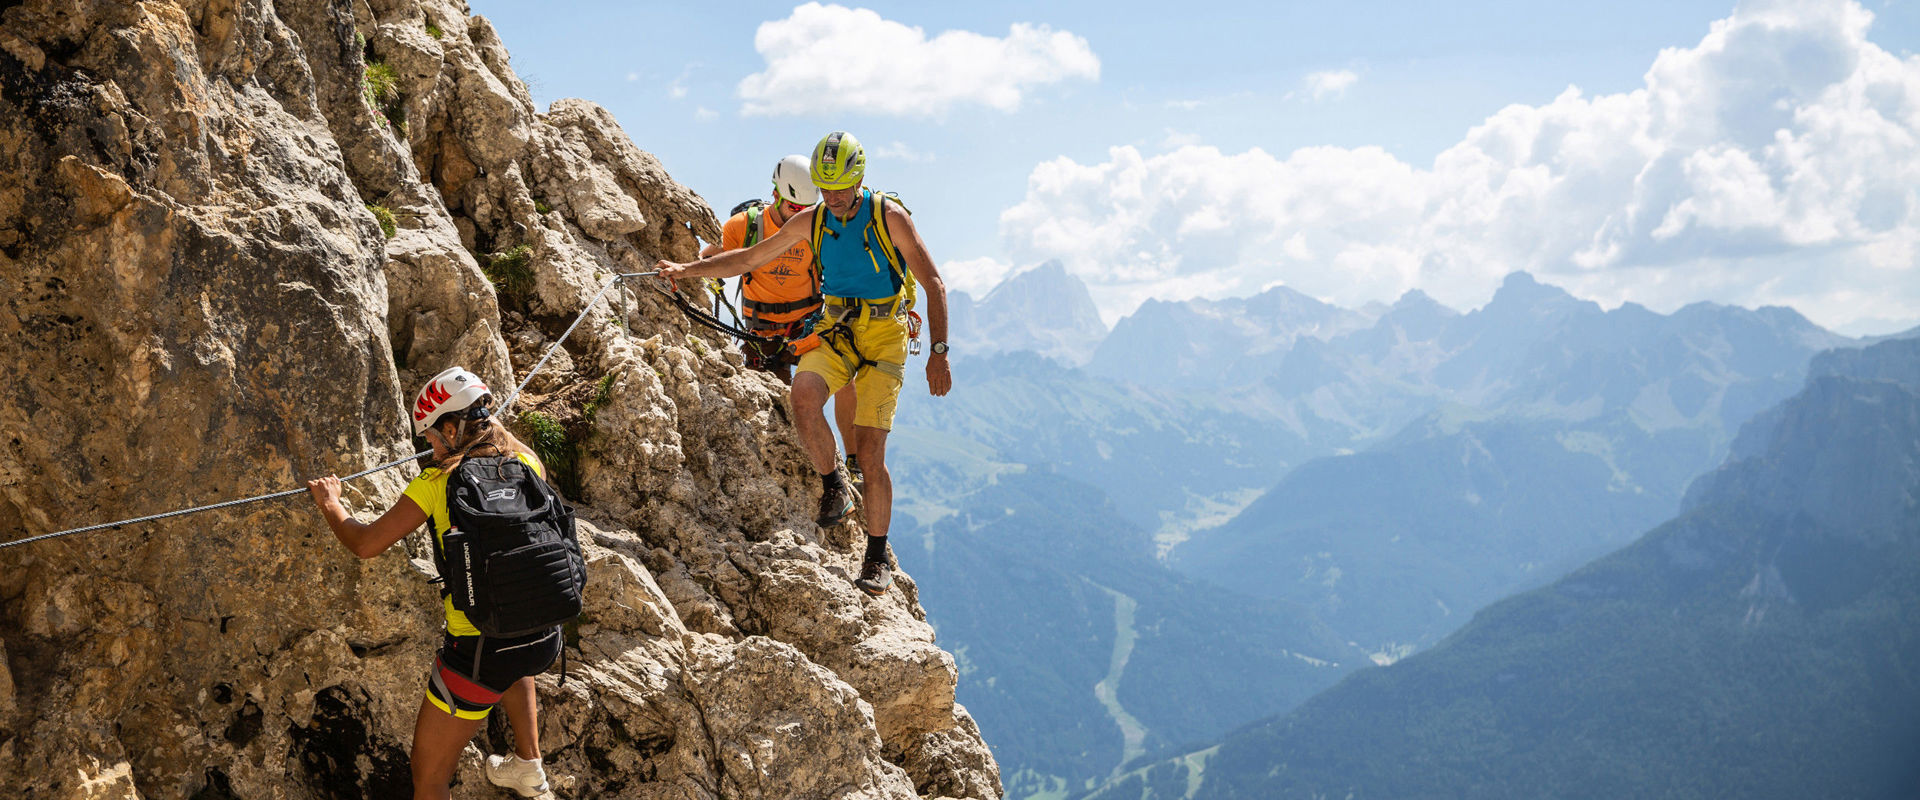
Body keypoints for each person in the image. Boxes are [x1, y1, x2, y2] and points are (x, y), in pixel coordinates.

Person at [658, 131, 952, 597]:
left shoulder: (888, 217)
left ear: (858, 179)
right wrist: (685, 271)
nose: (833, 198)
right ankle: (833, 483)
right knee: (803, 398)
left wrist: (939, 353)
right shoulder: (813, 220)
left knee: (872, 455)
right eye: (825, 187)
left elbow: (932, 281)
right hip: (836, 327)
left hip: (884, 336)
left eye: (840, 187)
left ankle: (875, 557)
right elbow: (750, 258)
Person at [306, 367, 559, 800]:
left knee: (428, 773)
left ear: (450, 426)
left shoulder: (437, 483)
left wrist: (331, 504)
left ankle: (528, 765)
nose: (428, 445)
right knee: (511, 629)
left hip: (477, 657)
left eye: (431, 435)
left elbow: (365, 544)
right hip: (544, 636)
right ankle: (528, 764)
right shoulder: (526, 460)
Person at [699, 155, 864, 483]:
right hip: (763, 334)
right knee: (782, 406)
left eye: (805, 210)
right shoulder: (744, 227)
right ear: (776, 195)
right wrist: (698, 269)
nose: (799, 217)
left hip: (806, 325)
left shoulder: (817, 228)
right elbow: (714, 257)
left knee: (847, 377)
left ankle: (854, 459)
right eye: (793, 208)